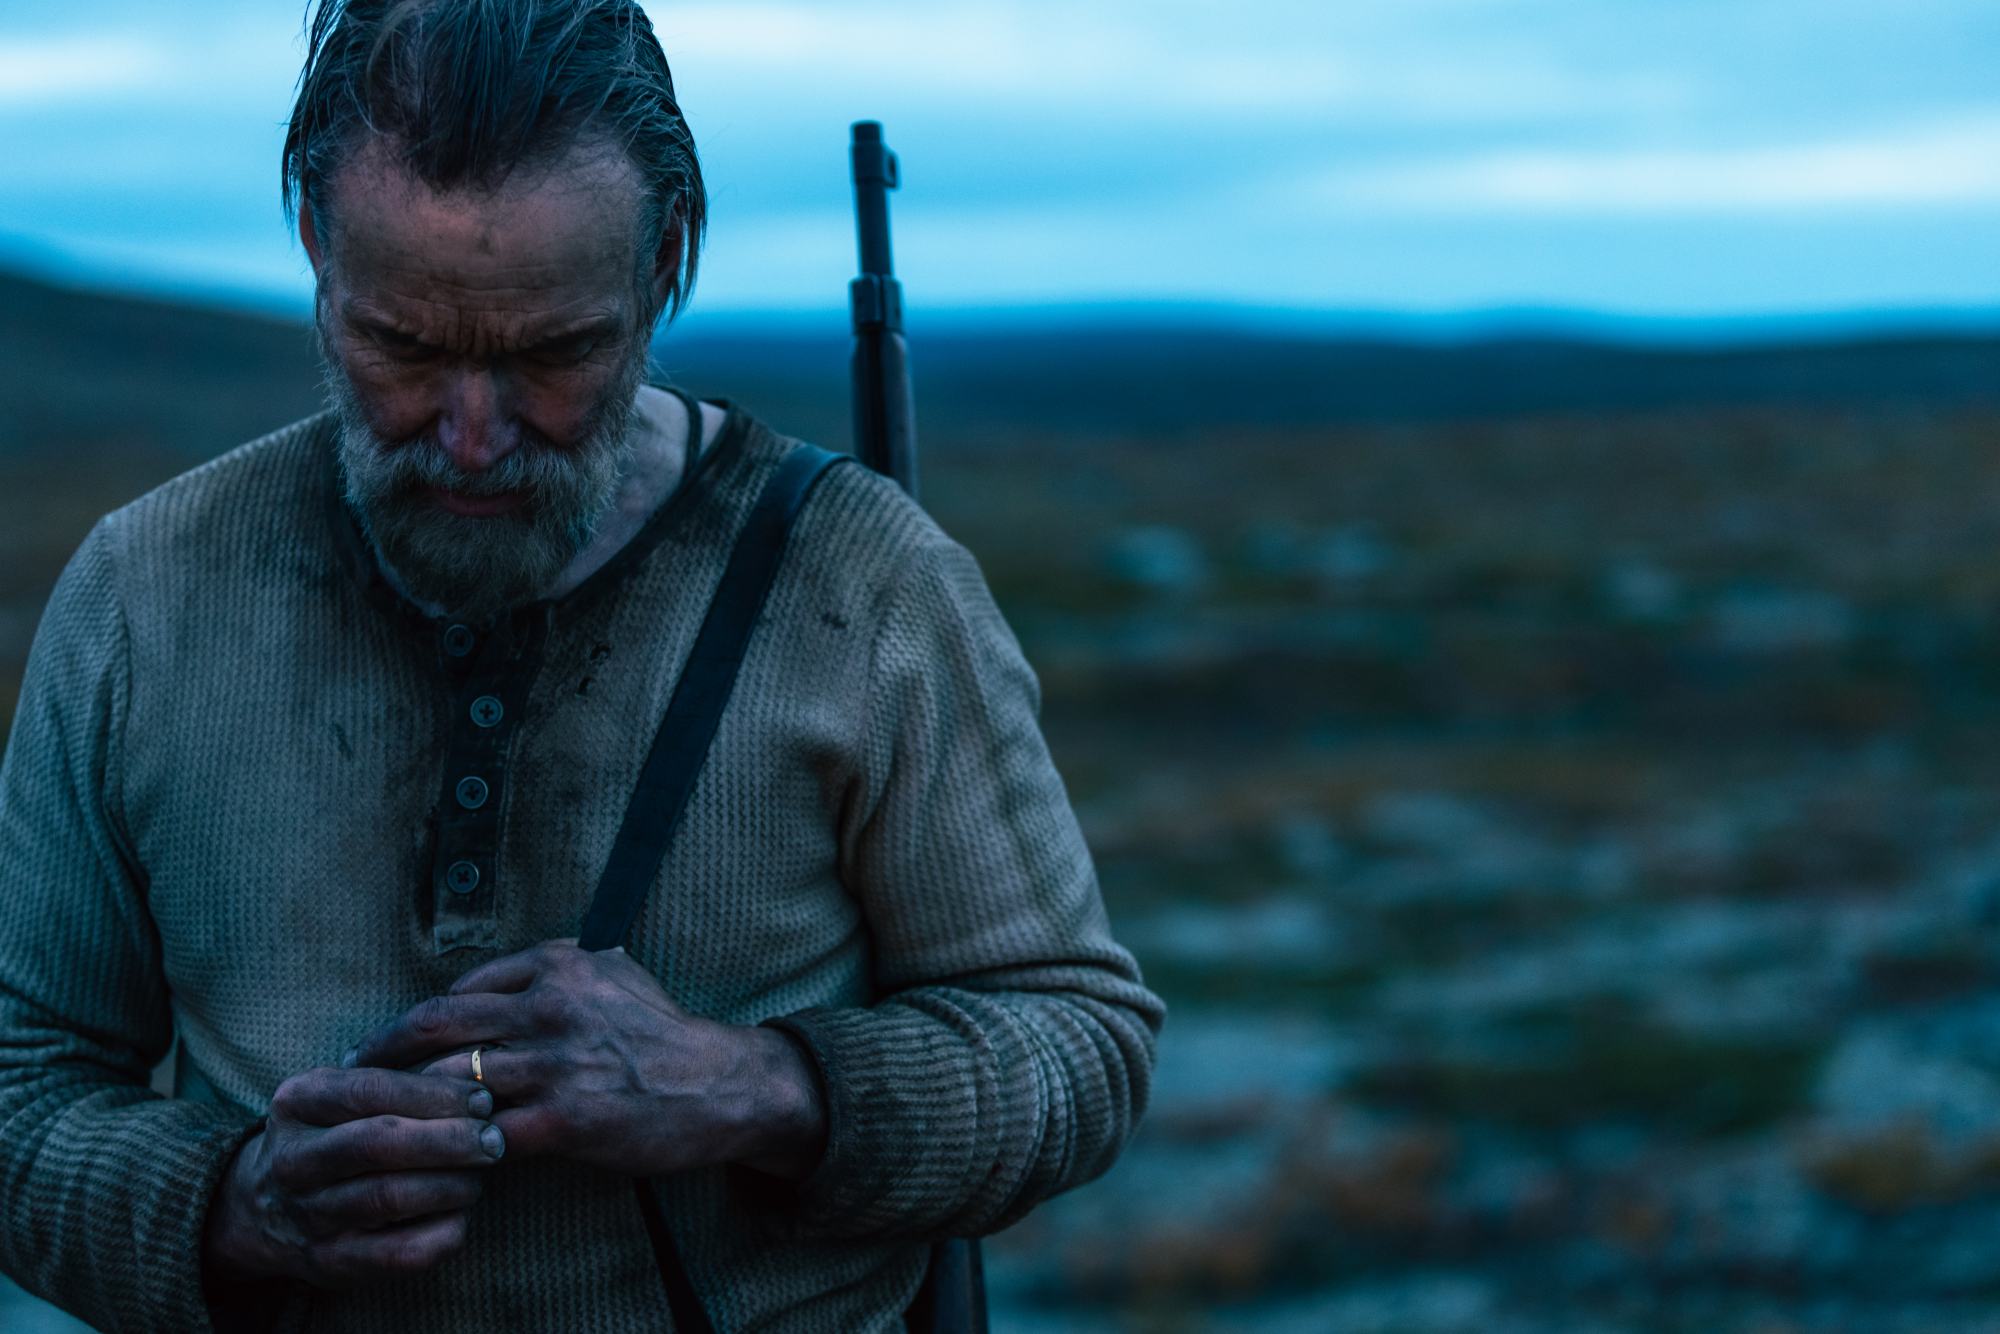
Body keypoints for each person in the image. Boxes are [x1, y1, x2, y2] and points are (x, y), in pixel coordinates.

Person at [0, 2, 1165, 1330]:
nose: (477, 435)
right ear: (320, 249)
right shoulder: (147, 589)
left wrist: (755, 1086)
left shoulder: (865, 581)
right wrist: (232, 1203)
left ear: (662, 263)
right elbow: (18, 1081)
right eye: (405, 347)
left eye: (554, 352)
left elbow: (1078, 1039)